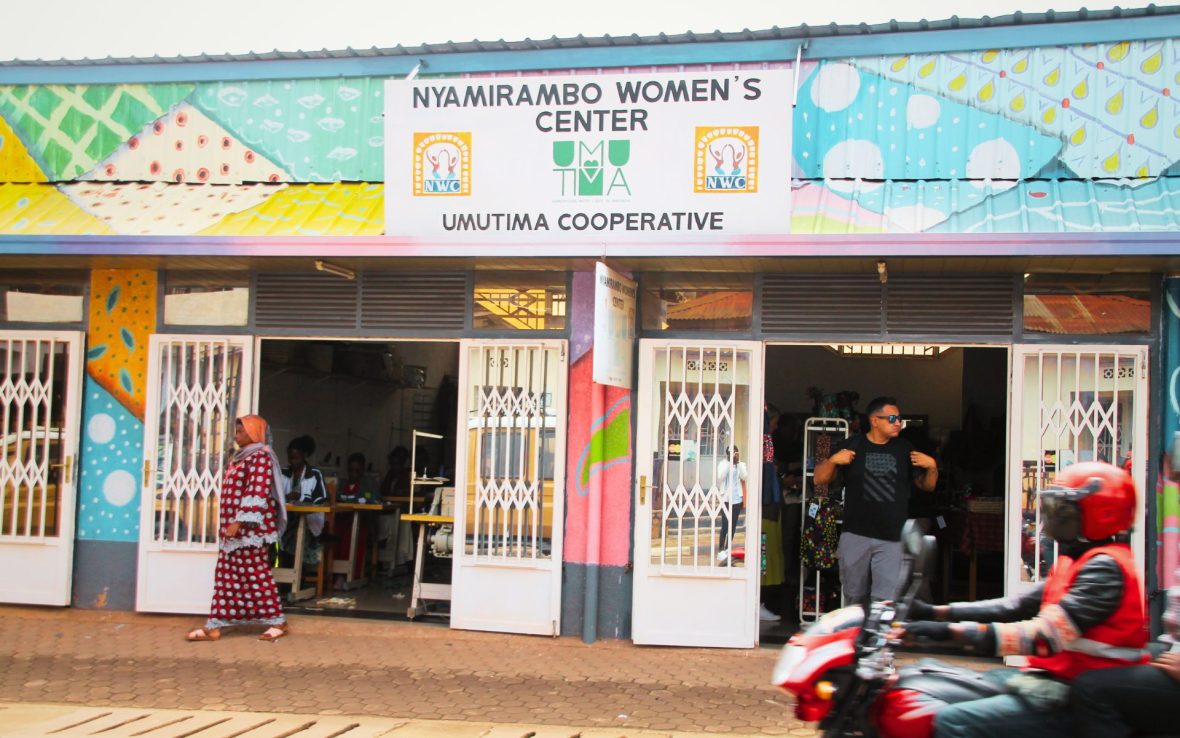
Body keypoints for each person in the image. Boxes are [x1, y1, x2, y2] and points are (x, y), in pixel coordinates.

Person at [897, 461, 1148, 738]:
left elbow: (1042, 636)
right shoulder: (1076, 561)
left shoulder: (1105, 570)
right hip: (1051, 681)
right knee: (935, 679)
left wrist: (945, 633)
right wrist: (933, 612)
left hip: (1076, 695)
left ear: (1100, 514)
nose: (1053, 519)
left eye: (1062, 511)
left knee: (953, 722)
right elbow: (1013, 606)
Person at [814, 396, 937, 605]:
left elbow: (927, 486)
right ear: (875, 421)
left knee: (885, 601)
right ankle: (858, 636)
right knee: (854, 597)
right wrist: (834, 460)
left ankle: (878, 638)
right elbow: (819, 479)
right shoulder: (852, 445)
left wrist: (932, 466)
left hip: (892, 536)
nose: (898, 422)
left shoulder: (905, 448)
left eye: (899, 418)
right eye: (892, 418)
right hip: (855, 533)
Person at [185, 415, 288, 642]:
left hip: (250, 531)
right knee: (226, 576)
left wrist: (239, 522)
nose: (236, 435)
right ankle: (215, 624)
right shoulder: (239, 458)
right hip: (233, 531)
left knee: (256, 574)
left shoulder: (260, 457)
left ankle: (278, 621)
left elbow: (257, 491)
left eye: (241, 432)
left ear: (253, 433)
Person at [280, 434, 329, 564]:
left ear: (305, 455)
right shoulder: (284, 473)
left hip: (309, 523)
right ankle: (287, 575)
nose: (293, 462)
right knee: (274, 536)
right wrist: (286, 497)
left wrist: (300, 497)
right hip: (287, 521)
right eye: (291, 458)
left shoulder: (314, 474)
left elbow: (322, 498)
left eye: (296, 458)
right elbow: (275, 495)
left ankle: (295, 575)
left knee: (296, 535)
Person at [333, 452, 375, 588]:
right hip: (342, 519)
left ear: (362, 470)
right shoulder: (342, 484)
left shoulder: (368, 484)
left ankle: (347, 574)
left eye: (357, 470)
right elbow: (336, 497)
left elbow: (375, 499)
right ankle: (332, 573)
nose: (354, 474)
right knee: (333, 536)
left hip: (361, 521)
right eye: (351, 470)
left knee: (351, 537)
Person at [715, 445, 748, 564]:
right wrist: (730, 463)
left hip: (737, 499)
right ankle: (720, 550)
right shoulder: (723, 464)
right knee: (725, 525)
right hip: (726, 499)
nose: (734, 454)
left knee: (732, 526)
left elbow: (744, 476)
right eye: (731, 452)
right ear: (727, 453)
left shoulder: (741, 464)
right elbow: (720, 477)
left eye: (735, 452)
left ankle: (728, 548)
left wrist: (737, 463)